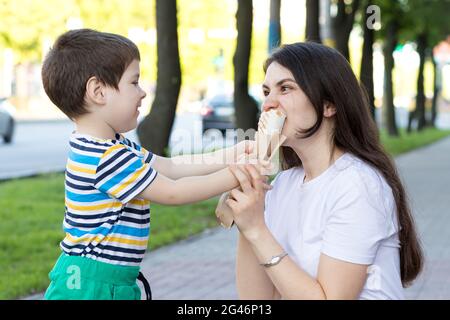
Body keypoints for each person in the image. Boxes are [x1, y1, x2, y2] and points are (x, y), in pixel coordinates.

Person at [41, 28, 269, 300]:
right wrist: (240, 173)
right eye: (134, 82)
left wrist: (233, 153)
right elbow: (172, 191)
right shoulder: (106, 157)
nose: (143, 93)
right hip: (91, 287)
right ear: (98, 91)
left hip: (101, 280)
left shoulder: (111, 145)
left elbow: (171, 167)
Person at [226, 42, 424, 300]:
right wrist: (246, 220)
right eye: (266, 92)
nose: (268, 104)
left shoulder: (357, 185)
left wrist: (257, 230)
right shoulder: (283, 184)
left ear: (328, 105)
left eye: (285, 89)